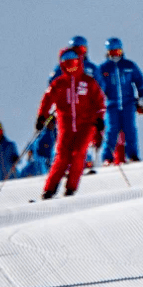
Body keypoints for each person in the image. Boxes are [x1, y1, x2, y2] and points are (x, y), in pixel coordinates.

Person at [37, 49, 106, 199]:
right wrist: (42, 117)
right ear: (62, 65)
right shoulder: (59, 84)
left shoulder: (88, 82)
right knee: (62, 156)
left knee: (78, 153)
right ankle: (49, 189)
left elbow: (99, 101)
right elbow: (47, 99)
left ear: (79, 62)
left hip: (86, 124)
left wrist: (100, 118)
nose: (71, 67)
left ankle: (71, 188)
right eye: (67, 64)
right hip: (66, 125)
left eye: (74, 63)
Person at [96, 37, 143, 164]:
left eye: (117, 52)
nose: (115, 55)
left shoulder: (129, 65)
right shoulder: (104, 68)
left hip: (128, 103)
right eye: (112, 52)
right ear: (108, 52)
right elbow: (98, 87)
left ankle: (133, 155)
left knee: (130, 129)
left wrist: (142, 98)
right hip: (111, 104)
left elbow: (139, 81)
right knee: (111, 130)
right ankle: (107, 157)